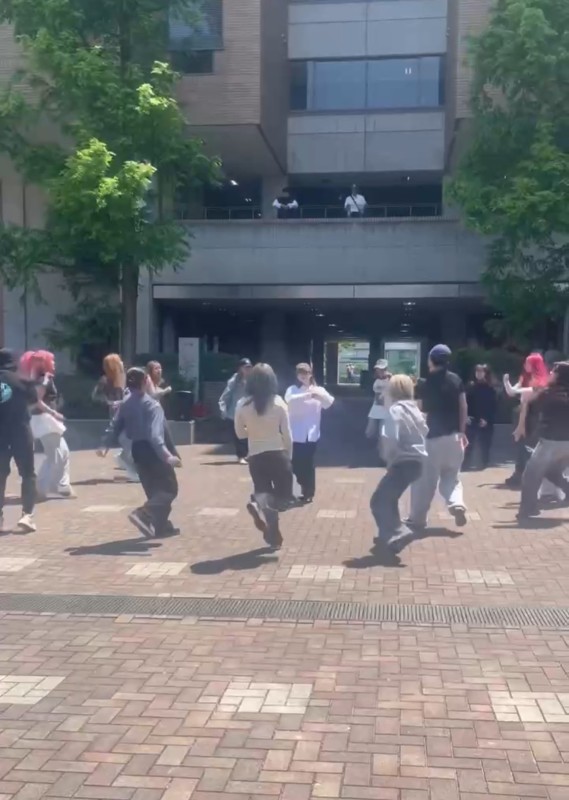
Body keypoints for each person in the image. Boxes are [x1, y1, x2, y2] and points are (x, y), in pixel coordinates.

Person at [98, 367, 181, 538]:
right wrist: (168, 456)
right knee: (169, 490)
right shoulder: (153, 405)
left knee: (154, 492)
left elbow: (115, 425)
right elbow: (155, 436)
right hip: (154, 452)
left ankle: (161, 526)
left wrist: (105, 445)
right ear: (144, 382)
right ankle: (144, 513)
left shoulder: (125, 403)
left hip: (137, 450)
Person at [407, 344, 468, 529]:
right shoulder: (456, 380)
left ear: (431, 360)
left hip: (432, 439)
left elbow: (420, 411)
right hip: (455, 438)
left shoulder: (424, 384)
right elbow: (463, 406)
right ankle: (456, 502)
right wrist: (462, 431)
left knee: (424, 482)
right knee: (451, 477)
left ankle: (417, 519)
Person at [234, 363, 294, 549]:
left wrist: (252, 431)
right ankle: (259, 503)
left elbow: (240, 434)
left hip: (256, 457)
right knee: (284, 498)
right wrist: (289, 456)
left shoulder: (242, 404)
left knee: (264, 494)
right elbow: (288, 435)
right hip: (278, 454)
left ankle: (272, 532)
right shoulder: (278, 403)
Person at [370, 374, 428, 551]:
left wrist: (389, 457)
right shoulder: (414, 408)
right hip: (417, 462)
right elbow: (425, 429)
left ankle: (399, 532)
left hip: (403, 461)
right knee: (389, 498)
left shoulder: (395, 410)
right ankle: (390, 537)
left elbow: (390, 438)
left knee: (378, 501)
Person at [517, 361, 569, 520]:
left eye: (554, 371)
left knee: (530, 475)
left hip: (550, 443)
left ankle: (528, 509)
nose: (550, 373)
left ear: (560, 375)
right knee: (551, 471)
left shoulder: (548, 392)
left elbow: (526, 399)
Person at [20, 350, 74, 500]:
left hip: (41, 419)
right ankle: (39, 488)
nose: (54, 363)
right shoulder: (44, 378)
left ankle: (62, 485)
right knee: (55, 454)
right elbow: (37, 400)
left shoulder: (34, 378)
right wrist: (54, 413)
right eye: (52, 360)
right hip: (44, 420)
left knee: (63, 452)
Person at [0, 348, 38, 533]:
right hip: (21, 431)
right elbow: (34, 400)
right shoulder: (23, 381)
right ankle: (27, 515)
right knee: (28, 474)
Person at [285, 363, 334, 503]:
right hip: (296, 433)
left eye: (306, 372)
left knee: (308, 464)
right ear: (296, 375)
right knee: (296, 464)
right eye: (300, 373)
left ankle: (308, 492)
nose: (303, 375)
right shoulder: (292, 389)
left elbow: (329, 402)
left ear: (310, 374)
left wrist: (319, 396)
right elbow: (289, 401)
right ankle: (297, 489)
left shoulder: (318, 389)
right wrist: (308, 395)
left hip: (312, 434)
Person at [504, 353, 551, 490]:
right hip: (523, 415)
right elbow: (512, 392)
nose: (525, 365)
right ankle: (519, 474)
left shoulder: (543, 380)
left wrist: (514, 389)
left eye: (528, 363)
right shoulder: (524, 377)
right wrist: (507, 383)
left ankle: (531, 477)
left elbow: (529, 392)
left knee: (531, 447)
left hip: (534, 417)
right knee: (521, 446)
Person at [92, 354, 138, 482]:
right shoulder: (105, 380)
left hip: (130, 410)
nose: (122, 363)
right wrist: (109, 402)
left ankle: (122, 457)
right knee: (123, 435)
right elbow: (95, 396)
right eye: (119, 361)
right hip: (117, 411)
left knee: (130, 438)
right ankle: (131, 468)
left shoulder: (127, 376)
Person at [219, 358, 252, 464]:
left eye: (249, 367)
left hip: (250, 411)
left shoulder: (253, 379)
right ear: (240, 368)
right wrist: (223, 408)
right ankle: (241, 456)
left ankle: (249, 454)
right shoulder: (234, 380)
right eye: (245, 367)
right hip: (235, 412)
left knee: (251, 434)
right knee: (238, 435)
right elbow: (226, 394)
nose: (247, 369)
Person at [464, 364, 497, 470]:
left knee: (485, 444)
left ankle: (483, 464)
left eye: (481, 371)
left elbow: (493, 405)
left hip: (486, 420)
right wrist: (466, 416)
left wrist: (487, 419)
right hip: (472, 418)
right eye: (477, 371)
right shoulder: (470, 386)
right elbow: (465, 402)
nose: (478, 374)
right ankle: (465, 464)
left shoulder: (491, 387)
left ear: (486, 373)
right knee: (468, 443)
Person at [365, 359, 392, 463]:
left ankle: (383, 456)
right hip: (376, 410)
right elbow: (378, 398)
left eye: (381, 369)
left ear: (386, 369)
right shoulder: (376, 382)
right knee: (369, 432)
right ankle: (378, 447)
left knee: (383, 434)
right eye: (378, 369)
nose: (379, 371)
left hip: (387, 411)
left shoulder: (392, 380)